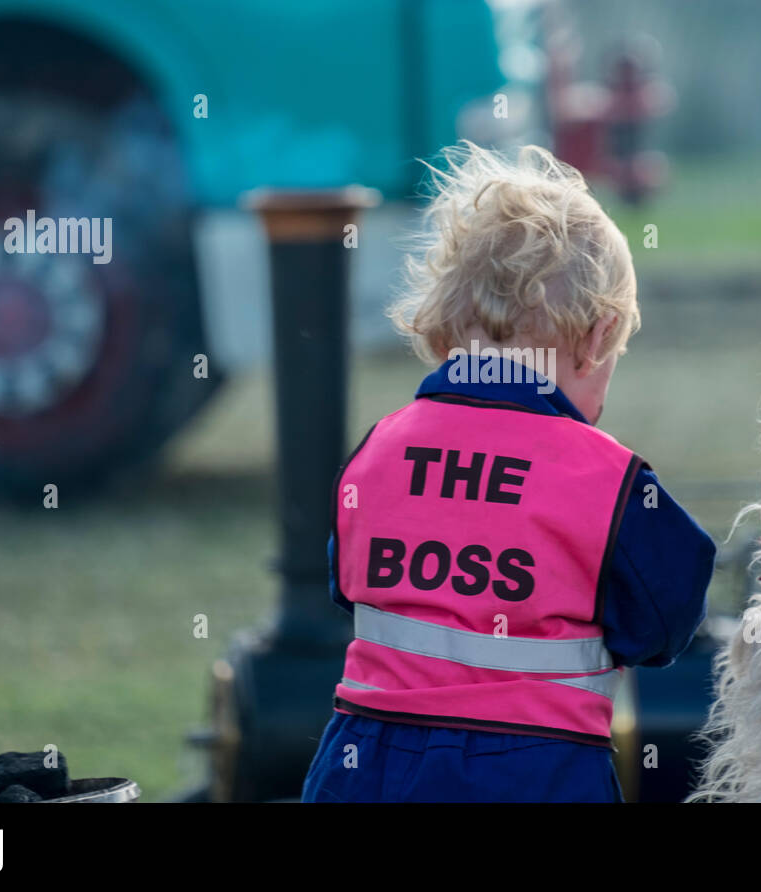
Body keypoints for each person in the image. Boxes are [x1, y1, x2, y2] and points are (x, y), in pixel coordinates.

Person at [302, 142, 715, 802]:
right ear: (599, 336)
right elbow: (666, 624)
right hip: (535, 772)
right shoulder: (608, 479)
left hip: (365, 764)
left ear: (440, 327)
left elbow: (346, 585)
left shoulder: (377, 449)